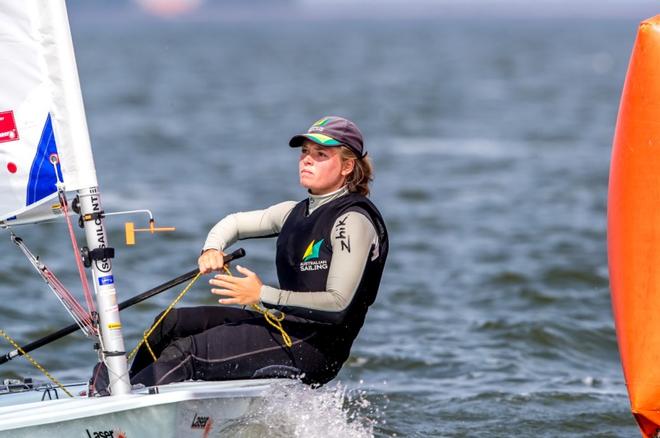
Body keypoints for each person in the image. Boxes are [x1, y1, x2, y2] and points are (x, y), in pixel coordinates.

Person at [126, 116, 388, 388]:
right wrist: (212, 249)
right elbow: (234, 223)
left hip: (314, 349)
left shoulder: (352, 221)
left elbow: (339, 304)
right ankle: (122, 392)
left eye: (320, 154)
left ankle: (125, 416)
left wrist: (262, 294)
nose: (307, 160)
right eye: (305, 152)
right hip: (285, 327)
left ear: (347, 166)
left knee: (186, 353)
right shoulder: (292, 212)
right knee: (171, 323)